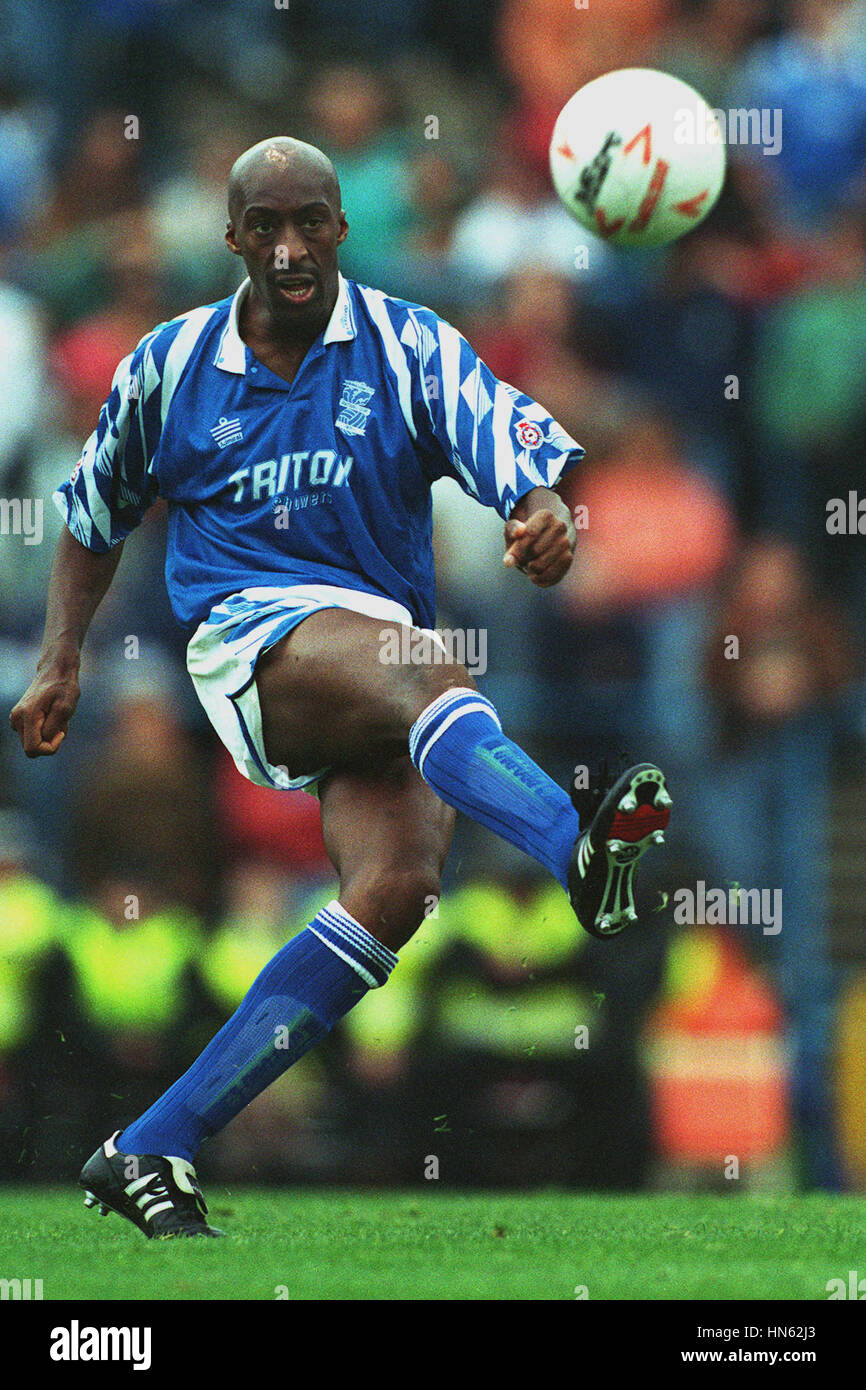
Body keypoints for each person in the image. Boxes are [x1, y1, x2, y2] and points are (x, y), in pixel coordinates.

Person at [10, 137, 670, 1238]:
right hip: (246, 641)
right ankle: (575, 852)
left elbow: (503, 434)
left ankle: (149, 1146)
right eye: (263, 225)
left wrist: (536, 506)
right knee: (425, 667)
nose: (288, 245)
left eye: (308, 219)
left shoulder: (407, 344)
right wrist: (60, 657)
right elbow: (91, 513)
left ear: (339, 226)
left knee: (398, 890)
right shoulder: (170, 365)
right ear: (229, 239)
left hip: (376, 662)